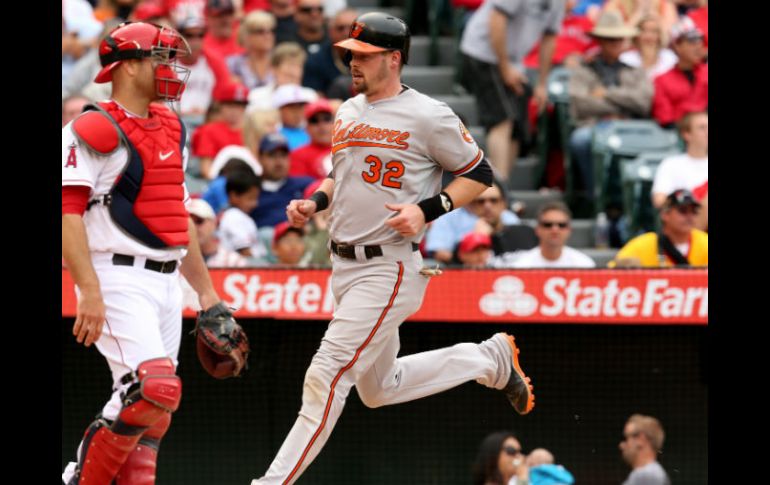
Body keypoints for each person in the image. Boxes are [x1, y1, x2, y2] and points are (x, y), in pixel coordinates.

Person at [251, 13, 535, 483]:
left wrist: (429, 209)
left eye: (364, 55)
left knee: (327, 374)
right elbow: (339, 176)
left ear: (394, 58)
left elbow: (480, 175)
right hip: (342, 265)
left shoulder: (429, 114)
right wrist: (315, 202)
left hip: (389, 266)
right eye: (350, 53)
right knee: (380, 388)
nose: (352, 62)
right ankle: (488, 359)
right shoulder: (348, 109)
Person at [61, 22, 237, 485]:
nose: (170, 67)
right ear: (130, 66)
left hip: (165, 279)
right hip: (115, 275)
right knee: (152, 387)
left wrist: (208, 295)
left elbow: (177, 216)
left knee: (157, 408)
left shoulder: (171, 124)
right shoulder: (91, 126)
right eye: (158, 57)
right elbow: (68, 213)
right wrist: (89, 291)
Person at [460, 0, 566, 181]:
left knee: (518, 126)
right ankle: (496, 187)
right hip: (483, 51)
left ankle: (502, 184)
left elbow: (550, 37)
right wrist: (505, 68)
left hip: (514, 60)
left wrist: (542, 83)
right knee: (502, 118)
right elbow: (496, 19)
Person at [610, 188, 708, 267]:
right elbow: (611, 271)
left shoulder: (705, 242)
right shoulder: (643, 245)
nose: (689, 216)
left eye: (694, 211)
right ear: (665, 214)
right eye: (683, 211)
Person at [511, 202, 596, 268]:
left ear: (569, 230)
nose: (555, 229)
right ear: (537, 229)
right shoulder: (522, 266)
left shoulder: (584, 265)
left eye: (561, 225)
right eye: (548, 225)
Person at [651, 111, 707, 209]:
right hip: (686, 218)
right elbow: (659, 201)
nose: (707, 131)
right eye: (702, 128)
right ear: (686, 134)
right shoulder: (671, 164)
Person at [218, 168, 267, 261]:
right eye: (250, 198)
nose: (255, 203)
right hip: (241, 269)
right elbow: (245, 253)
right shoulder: (233, 216)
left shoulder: (240, 216)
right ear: (234, 196)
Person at [619, 414, 671, 485]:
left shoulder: (647, 475)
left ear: (641, 439)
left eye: (627, 438)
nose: (621, 445)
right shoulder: (649, 474)